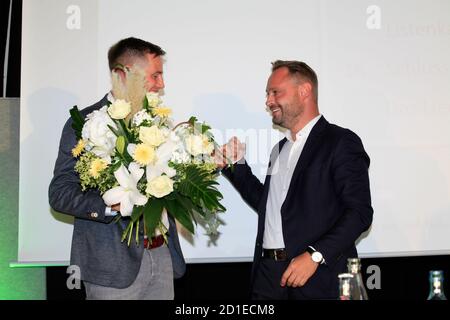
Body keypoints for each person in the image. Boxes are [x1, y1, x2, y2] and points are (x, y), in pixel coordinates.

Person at [216, 60, 373, 299]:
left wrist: (315, 255)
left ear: (305, 91)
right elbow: (268, 206)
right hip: (268, 276)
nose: (268, 102)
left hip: (316, 277)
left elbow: (360, 212)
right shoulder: (280, 149)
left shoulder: (340, 142)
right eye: (268, 94)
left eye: (275, 92)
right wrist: (235, 165)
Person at [48, 37, 185, 300]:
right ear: (123, 75)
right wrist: (111, 205)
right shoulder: (86, 124)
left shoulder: (159, 123)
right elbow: (60, 193)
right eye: (155, 75)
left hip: (161, 256)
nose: (162, 84)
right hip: (111, 267)